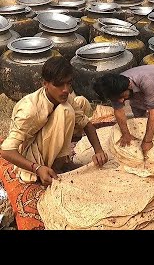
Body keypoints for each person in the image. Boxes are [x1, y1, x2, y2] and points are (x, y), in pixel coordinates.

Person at [0, 57, 107, 186]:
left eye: (68, 83)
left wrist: (99, 151)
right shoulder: (30, 110)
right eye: (59, 84)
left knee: (80, 102)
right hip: (32, 155)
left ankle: (62, 155)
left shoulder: (65, 95)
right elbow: (6, 150)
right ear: (45, 83)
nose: (65, 90)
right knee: (65, 110)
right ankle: (57, 165)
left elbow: (86, 123)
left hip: (46, 137)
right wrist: (37, 168)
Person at [92, 65, 154, 158]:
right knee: (138, 113)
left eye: (122, 96)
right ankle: (145, 127)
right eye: (117, 98)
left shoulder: (148, 81)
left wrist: (147, 141)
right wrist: (126, 134)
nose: (121, 101)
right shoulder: (114, 87)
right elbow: (118, 110)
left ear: (129, 86)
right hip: (138, 90)